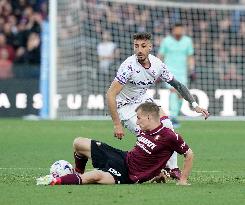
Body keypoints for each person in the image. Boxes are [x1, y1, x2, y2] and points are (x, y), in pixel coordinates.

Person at [106, 32, 209, 178]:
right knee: (147, 136)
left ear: (150, 47)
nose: (139, 50)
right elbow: (110, 94)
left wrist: (194, 104)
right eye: (136, 46)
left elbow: (178, 85)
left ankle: (173, 169)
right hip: (124, 105)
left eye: (143, 46)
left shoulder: (157, 65)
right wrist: (117, 124)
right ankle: (153, 171)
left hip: (142, 99)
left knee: (167, 125)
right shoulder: (128, 67)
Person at [37, 102, 194, 186]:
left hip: (129, 175)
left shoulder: (169, 136)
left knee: (95, 176)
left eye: (138, 118)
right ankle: (77, 172)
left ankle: (54, 181)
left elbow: (189, 154)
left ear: (148, 117)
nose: (137, 122)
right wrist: (158, 173)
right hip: (122, 157)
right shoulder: (145, 130)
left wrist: (183, 180)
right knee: (78, 142)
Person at [157, 23, 195, 128]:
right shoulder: (166, 41)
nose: (179, 32)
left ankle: (174, 115)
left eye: (180, 30)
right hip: (169, 71)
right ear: (173, 31)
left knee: (181, 95)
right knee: (174, 91)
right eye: (177, 30)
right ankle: (173, 117)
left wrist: (192, 69)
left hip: (182, 73)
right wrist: (157, 69)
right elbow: (161, 55)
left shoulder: (187, 41)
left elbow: (190, 56)